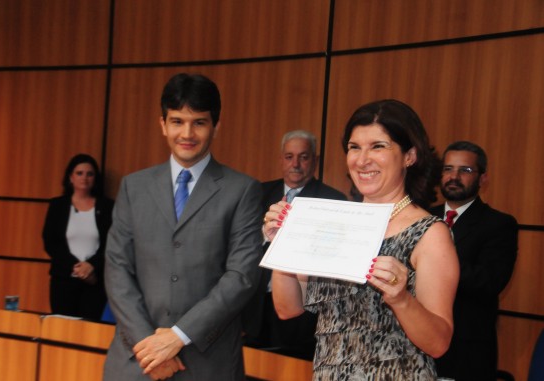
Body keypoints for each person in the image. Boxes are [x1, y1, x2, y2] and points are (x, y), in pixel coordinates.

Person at [263, 99, 460, 379]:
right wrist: (281, 243)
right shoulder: (332, 220)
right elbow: (287, 309)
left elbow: (439, 344)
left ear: (409, 156)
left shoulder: (430, 234)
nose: (362, 159)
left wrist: (402, 300)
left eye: (378, 146)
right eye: (354, 147)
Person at [103, 73, 263, 381]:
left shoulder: (242, 190)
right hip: (136, 362)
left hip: (207, 364)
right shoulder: (133, 187)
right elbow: (116, 269)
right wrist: (149, 347)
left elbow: (241, 277)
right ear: (162, 124)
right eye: (177, 121)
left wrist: (177, 337)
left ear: (216, 125)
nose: (187, 133)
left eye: (199, 122)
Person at [243, 130, 347, 360]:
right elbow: (241, 246)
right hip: (256, 307)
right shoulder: (258, 193)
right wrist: (266, 235)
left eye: (304, 157)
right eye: (289, 157)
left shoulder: (333, 201)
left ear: (315, 161)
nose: (296, 164)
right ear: (281, 160)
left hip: (302, 314)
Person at [431, 141, 518, 381]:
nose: (454, 176)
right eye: (448, 169)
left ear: (482, 178)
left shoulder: (499, 224)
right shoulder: (421, 217)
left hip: (466, 354)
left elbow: (488, 282)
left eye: (465, 170)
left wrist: (437, 257)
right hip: (414, 347)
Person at [42, 153, 114, 320]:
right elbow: (50, 242)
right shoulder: (57, 206)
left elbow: (112, 243)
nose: (85, 178)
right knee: (61, 329)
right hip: (63, 279)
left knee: (89, 330)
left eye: (90, 174)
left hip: (94, 281)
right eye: (79, 173)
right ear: (70, 177)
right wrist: (77, 269)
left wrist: (91, 267)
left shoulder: (108, 206)